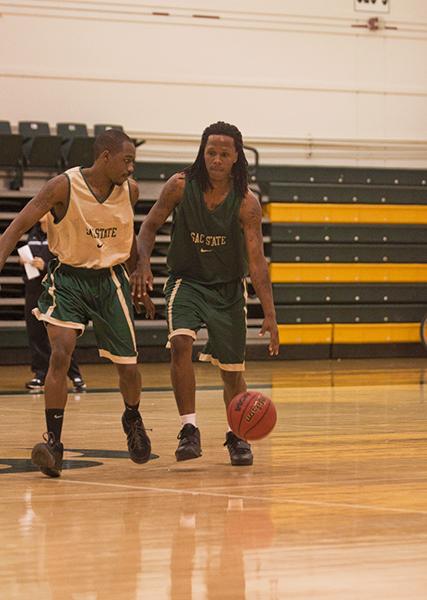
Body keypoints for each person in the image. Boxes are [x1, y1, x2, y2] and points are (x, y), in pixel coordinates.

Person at [0, 129, 154, 477]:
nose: (131, 168)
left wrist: (140, 275)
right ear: (105, 157)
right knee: (60, 352)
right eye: (127, 160)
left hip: (110, 279)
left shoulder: (130, 191)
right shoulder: (63, 186)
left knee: (128, 365)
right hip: (68, 278)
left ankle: (132, 416)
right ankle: (53, 442)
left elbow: (127, 240)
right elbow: (19, 225)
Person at [132, 121, 279, 466]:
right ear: (202, 152)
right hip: (187, 281)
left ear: (236, 157)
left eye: (223, 153)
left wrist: (270, 314)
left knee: (231, 371)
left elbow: (257, 264)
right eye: (210, 152)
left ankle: (238, 436)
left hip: (228, 289)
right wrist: (142, 265)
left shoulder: (247, 203)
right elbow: (149, 227)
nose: (215, 159)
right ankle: (189, 429)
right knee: (181, 342)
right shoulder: (180, 186)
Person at [20, 214, 86, 393]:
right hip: (33, 290)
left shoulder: (60, 234)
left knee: (61, 336)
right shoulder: (32, 234)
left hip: (54, 292)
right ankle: (40, 374)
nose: (41, 213)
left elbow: (67, 261)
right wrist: (25, 261)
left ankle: (75, 375)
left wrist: (45, 264)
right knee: (36, 334)